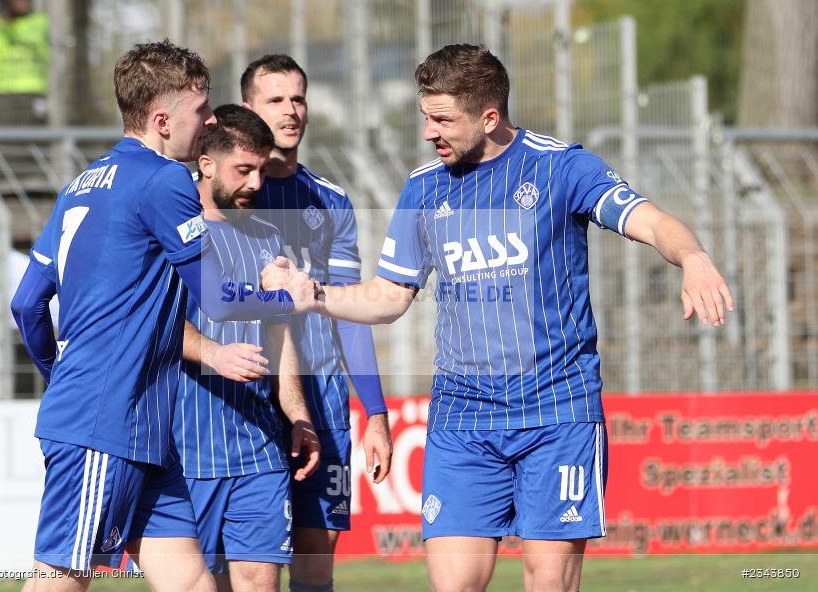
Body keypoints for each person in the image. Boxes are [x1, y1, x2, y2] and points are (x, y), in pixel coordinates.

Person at [263, 44, 734, 592]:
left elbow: (651, 222)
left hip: (556, 415)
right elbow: (390, 295)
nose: (429, 133)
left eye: (442, 120)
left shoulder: (562, 167)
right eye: (425, 118)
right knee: (454, 584)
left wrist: (693, 257)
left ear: (489, 117)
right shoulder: (424, 187)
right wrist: (314, 293)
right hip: (462, 422)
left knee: (548, 583)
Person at [10, 40, 315, 591]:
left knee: (193, 583)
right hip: (107, 423)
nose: (209, 120)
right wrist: (286, 299)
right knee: (61, 580)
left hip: (145, 430)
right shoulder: (163, 178)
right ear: (160, 119)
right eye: (200, 110)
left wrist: (59, 377)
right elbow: (220, 299)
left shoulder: (81, 183)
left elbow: (26, 303)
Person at [240, 54, 393, 592]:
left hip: (324, 397)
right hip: (247, 392)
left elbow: (350, 312)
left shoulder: (331, 201)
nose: (290, 110)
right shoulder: (222, 194)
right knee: (246, 563)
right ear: (247, 110)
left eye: (298, 98)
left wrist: (375, 412)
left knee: (315, 559)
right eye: (275, 100)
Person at [174, 104, 321, 591]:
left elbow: (281, 337)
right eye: (244, 170)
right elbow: (157, 327)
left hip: (260, 447)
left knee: (260, 580)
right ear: (207, 163)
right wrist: (213, 352)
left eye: (260, 169)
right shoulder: (173, 232)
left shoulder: (267, 236)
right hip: (188, 451)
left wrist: (297, 415)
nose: (256, 183)